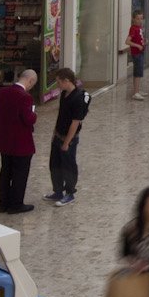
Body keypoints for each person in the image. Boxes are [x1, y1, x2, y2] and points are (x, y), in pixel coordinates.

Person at [0, 66, 37, 214]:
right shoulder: (25, 97)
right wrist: (34, 114)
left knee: (5, 171)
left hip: (4, 139)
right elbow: (29, 119)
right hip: (21, 141)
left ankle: (3, 203)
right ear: (30, 81)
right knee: (20, 173)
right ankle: (16, 204)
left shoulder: (1, 92)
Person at [47, 67, 87, 206]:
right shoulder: (64, 94)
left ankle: (70, 193)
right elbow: (61, 116)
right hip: (58, 135)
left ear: (67, 80)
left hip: (68, 139)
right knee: (54, 165)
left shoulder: (78, 97)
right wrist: (54, 133)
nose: (58, 85)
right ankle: (57, 191)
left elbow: (75, 122)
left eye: (59, 82)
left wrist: (66, 142)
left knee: (68, 166)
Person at [128, 11, 147, 100]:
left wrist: (143, 42)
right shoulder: (133, 28)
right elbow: (127, 41)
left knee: (138, 72)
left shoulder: (139, 28)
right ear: (133, 19)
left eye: (141, 18)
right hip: (136, 53)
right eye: (138, 19)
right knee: (138, 73)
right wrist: (137, 46)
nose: (140, 20)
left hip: (140, 52)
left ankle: (137, 90)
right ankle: (136, 92)